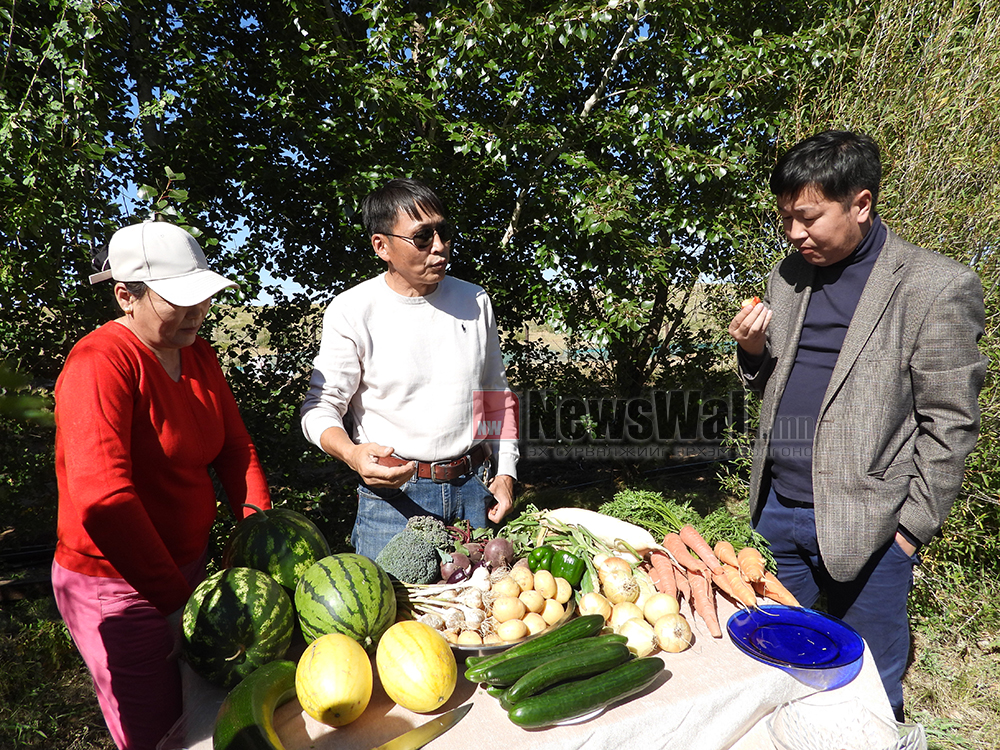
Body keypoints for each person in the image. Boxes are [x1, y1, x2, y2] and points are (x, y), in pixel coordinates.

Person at [728, 130, 986, 720]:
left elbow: (950, 422)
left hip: (870, 525)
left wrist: (910, 531)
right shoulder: (788, 276)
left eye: (808, 218)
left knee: (869, 685)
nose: (795, 234)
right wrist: (752, 353)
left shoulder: (934, 287)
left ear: (861, 204)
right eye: (786, 219)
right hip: (777, 511)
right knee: (779, 667)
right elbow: (778, 384)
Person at [52, 221, 272, 750]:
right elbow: (104, 499)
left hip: (187, 569)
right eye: (180, 300)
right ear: (126, 296)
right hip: (119, 587)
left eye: (203, 297)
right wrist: (175, 605)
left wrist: (263, 535)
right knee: (159, 732)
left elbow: (235, 448)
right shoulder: (100, 363)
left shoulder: (197, 352)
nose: (198, 312)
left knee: (204, 713)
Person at [300, 178, 519, 559]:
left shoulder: (475, 300)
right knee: (390, 601)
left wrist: (506, 473)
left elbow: (495, 395)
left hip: (474, 492)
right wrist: (352, 454)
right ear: (381, 246)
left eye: (443, 232)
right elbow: (319, 408)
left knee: (482, 599)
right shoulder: (353, 310)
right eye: (422, 237)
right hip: (392, 501)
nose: (439, 246)